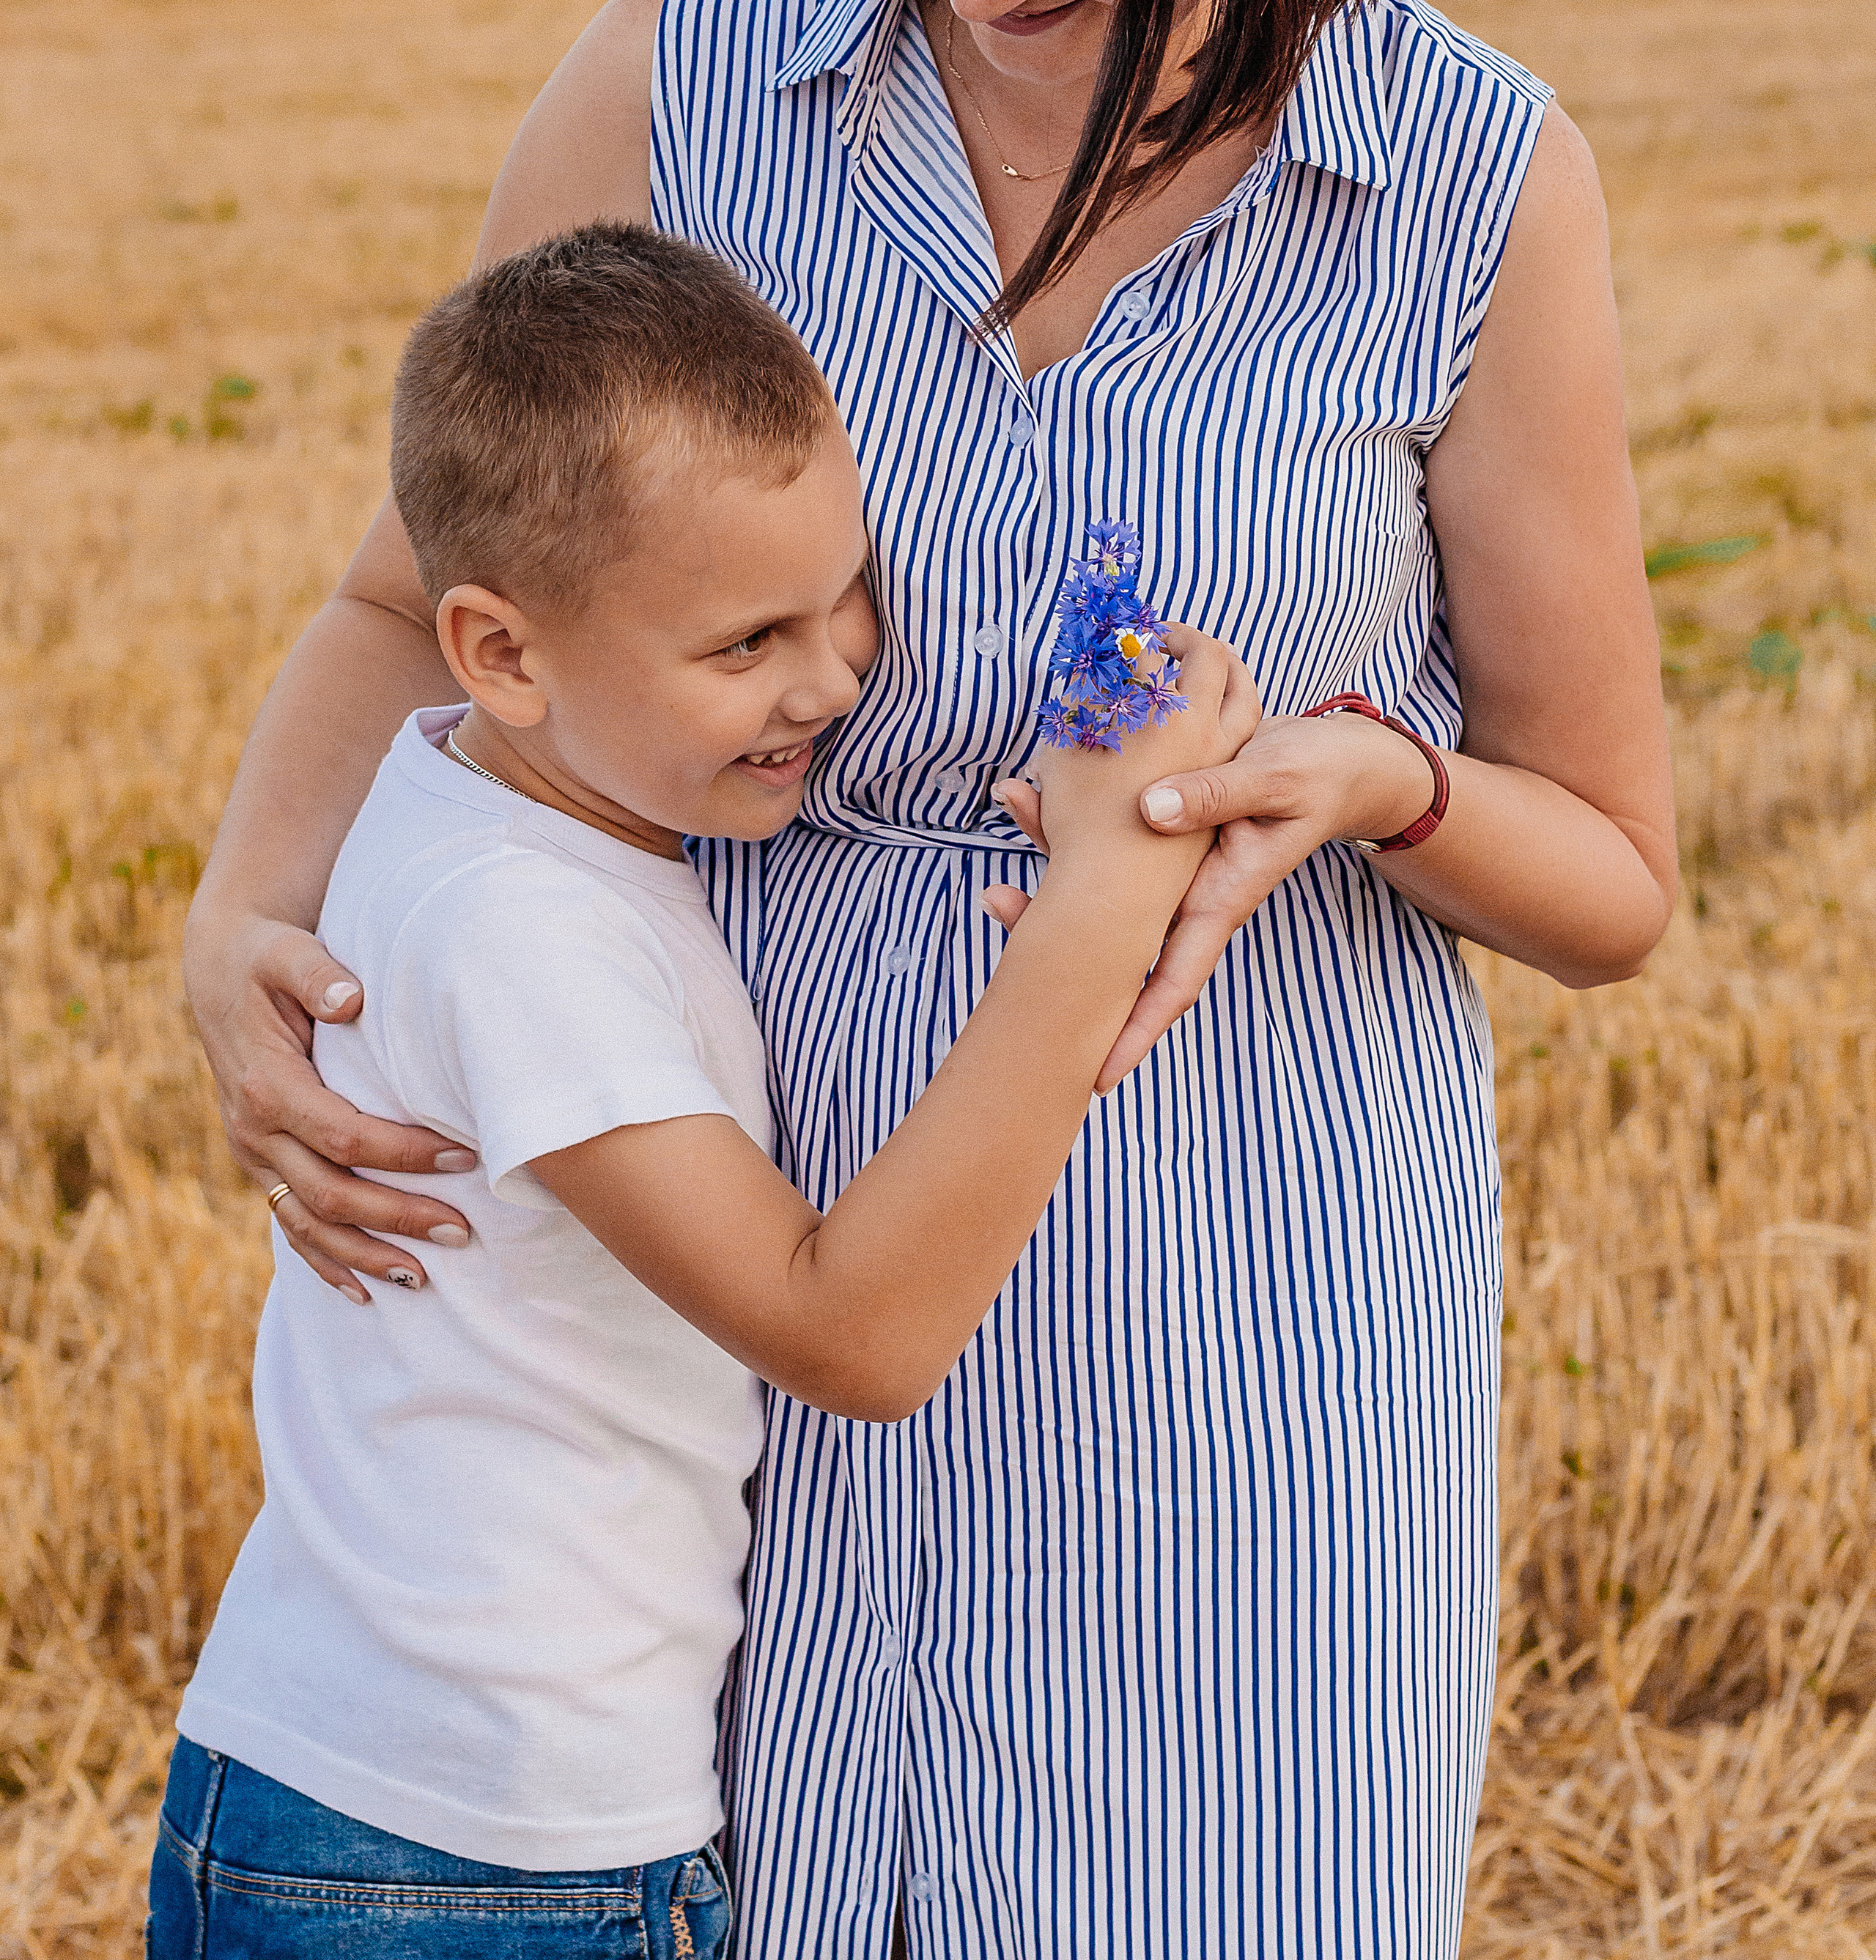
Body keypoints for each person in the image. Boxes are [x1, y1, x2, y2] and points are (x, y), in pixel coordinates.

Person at [182, 0, 1677, 1957]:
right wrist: (238, 920)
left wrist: (1362, 779)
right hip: (726, 1313)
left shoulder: (1470, 179)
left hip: (1242, 1328)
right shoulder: (676, 84)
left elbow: (1616, 874)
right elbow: (401, 596)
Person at [151, 222, 1247, 1957]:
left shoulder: (490, 812)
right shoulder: (518, 931)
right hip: (461, 1858)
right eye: (745, 644)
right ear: (500, 655)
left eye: (848, 600)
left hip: (411, 1808)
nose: (829, 679)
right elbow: (850, 1337)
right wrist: (1105, 903)